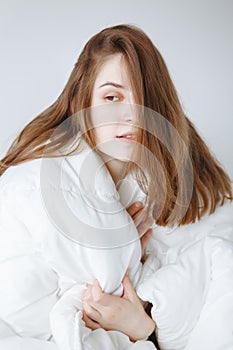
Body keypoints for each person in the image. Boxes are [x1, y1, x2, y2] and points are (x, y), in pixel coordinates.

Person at [0, 23, 232, 350]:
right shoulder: (38, 187)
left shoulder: (167, 192)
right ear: (80, 105)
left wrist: (141, 319)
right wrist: (141, 324)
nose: (132, 115)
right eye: (112, 97)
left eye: (144, 100)